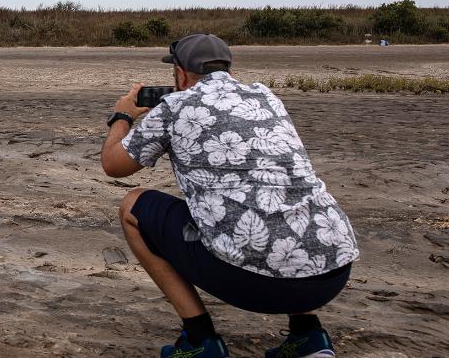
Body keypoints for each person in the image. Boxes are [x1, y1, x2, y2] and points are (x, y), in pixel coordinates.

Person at [100, 33, 358, 358]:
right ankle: (308, 336)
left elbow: (113, 164)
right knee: (275, 198)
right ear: (228, 69)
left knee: (132, 206)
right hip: (332, 269)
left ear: (180, 73)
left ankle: (200, 339)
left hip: (254, 283)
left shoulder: (174, 107)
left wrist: (122, 116)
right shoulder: (265, 96)